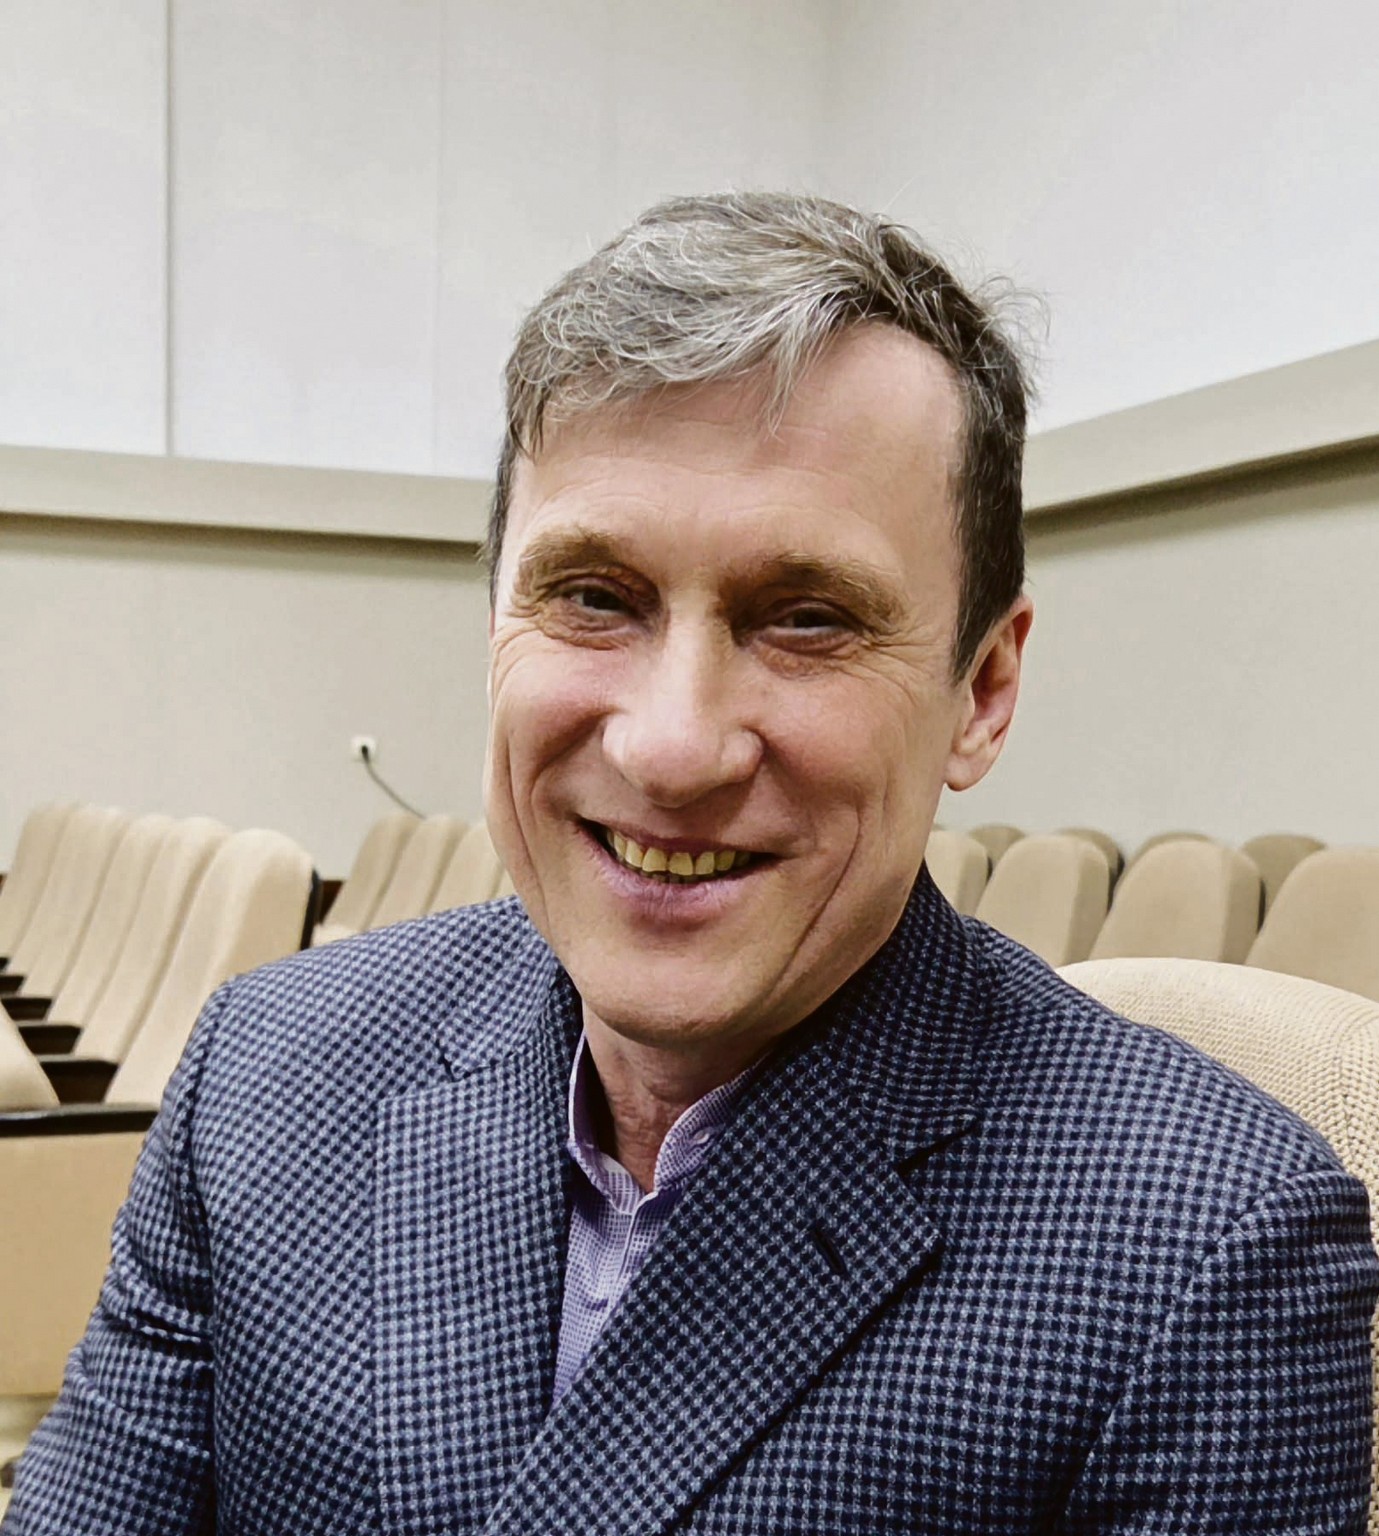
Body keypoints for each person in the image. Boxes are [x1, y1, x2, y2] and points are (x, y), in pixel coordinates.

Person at [7, 193, 1375, 1534]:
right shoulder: (269, 1073)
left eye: (808, 618)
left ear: (983, 689)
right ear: (494, 623)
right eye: (592, 596)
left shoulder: (1209, 1254)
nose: (669, 748)